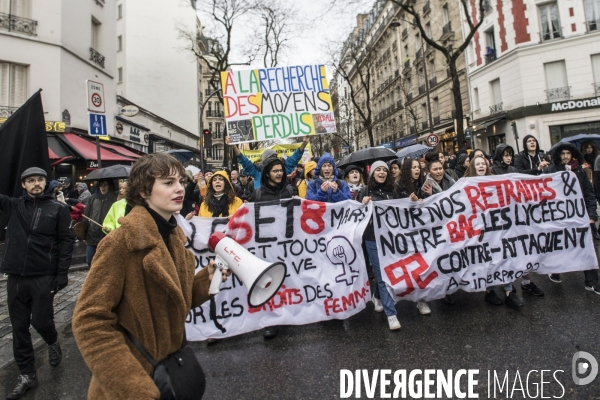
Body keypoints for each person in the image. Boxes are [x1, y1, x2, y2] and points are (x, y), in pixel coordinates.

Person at [72, 153, 230, 399]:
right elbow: (90, 321)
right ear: (144, 191)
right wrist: (134, 387)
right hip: (134, 383)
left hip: (168, 372)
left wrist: (207, 278)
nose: (179, 188)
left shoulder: (174, 238)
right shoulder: (119, 243)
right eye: (168, 183)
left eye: (180, 181)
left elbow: (176, 300)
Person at [0, 167, 74, 399]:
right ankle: (27, 375)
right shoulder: (14, 206)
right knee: (19, 327)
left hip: (43, 275)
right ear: (23, 184)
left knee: (42, 321)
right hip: (16, 276)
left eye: (40, 180)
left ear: (45, 182)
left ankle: (52, 341)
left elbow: (66, 241)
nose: (36, 184)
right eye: (30, 180)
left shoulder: (58, 209)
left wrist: (62, 273)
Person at [544, 143, 600, 294]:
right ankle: (555, 270)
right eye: (562, 154)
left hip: (580, 217)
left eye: (568, 153)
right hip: (559, 218)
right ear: (558, 155)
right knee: (558, 246)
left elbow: (589, 194)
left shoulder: (580, 172)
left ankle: (592, 282)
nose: (565, 157)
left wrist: (592, 216)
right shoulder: (551, 171)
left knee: (587, 248)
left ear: (573, 154)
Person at [356, 161, 401, 330]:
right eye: (378, 170)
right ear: (372, 173)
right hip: (372, 238)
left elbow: (400, 212)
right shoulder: (365, 191)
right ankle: (392, 314)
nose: (382, 173)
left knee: (389, 270)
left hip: (390, 239)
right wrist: (363, 204)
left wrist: (411, 201)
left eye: (384, 170)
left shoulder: (393, 191)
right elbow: (357, 215)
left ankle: (377, 296)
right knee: (381, 275)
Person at [396, 158, 431, 315]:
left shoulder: (423, 185)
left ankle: (421, 299)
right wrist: (411, 202)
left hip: (423, 231)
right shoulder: (398, 187)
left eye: (419, 167)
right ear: (407, 170)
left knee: (422, 265)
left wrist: (428, 196)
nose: (417, 170)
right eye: (414, 167)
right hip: (407, 233)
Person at [227, 135, 310, 189]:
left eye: (276, 158)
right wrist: (234, 146)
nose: (274, 161)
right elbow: (243, 160)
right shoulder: (257, 172)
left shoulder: (282, 169)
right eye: (271, 158)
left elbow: (294, 159)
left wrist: (304, 143)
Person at [80, 179, 118, 266]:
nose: (103, 188)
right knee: (90, 260)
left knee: (105, 262)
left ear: (109, 186)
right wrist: (83, 232)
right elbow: (87, 215)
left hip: (106, 235)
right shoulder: (92, 198)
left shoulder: (114, 198)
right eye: (101, 185)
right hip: (92, 235)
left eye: (105, 185)